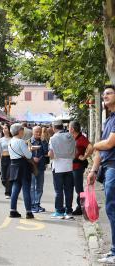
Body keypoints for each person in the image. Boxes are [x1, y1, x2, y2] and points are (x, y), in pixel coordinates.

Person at [89, 85, 115, 264]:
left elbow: (108, 144)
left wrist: (94, 145)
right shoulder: (109, 119)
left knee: (112, 209)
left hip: (114, 167)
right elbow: (101, 147)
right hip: (106, 168)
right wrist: (93, 170)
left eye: (109, 93)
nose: (105, 96)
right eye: (104, 94)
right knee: (111, 209)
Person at [48, 120, 76, 220]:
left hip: (58, 166)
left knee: (59, 190)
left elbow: (51, 154)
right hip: (69, 166)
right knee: (69, 190)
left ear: (54, 127)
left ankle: (59, 211)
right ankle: (69, 211)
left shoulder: (53, 138)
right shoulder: (70, 136)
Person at [8, 123, 34, 219]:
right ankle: (29, 212)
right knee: (26, 189)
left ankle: (12, 210)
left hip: (14, 165)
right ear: (19, 131)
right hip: (23, 166)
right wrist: (29, 149)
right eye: (22, 130)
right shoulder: (21, 142)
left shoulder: (10, 141)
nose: (23, 131)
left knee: (15, 188)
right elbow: (29, 155)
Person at [69, 121, 93, 216]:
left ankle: (81, 208)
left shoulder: (81, 138)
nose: (68, 129)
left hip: (78, 167)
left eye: (69, 127)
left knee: (79, 188)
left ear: (73, 129)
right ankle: (78, 207)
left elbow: (91, 147)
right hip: (71, 166)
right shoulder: (72, 138)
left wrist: (84, 156)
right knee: (74, 188)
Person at [28, 126, 49, 213]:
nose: (38, 133)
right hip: (32, 167)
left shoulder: (43, 141)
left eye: (40, 132)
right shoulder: (28, 142)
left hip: (40, 167)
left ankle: (37, 203)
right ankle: (32, 205)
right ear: (33, 132)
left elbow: (46, 152)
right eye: (36, 132)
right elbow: (25, 154)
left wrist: (44, 141)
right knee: (32, 187)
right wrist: (33, 158)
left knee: (39, 187)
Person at [0, 124, 12, 199]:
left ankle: (8, 192)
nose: (4, 130)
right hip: (3, 158)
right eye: (3, 128)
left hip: (11, 159)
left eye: (6, 128)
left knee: (9, 176)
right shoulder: (1, 140)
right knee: (3, 178)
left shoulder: (13, 139)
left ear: (9, 129)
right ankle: (10, 188)